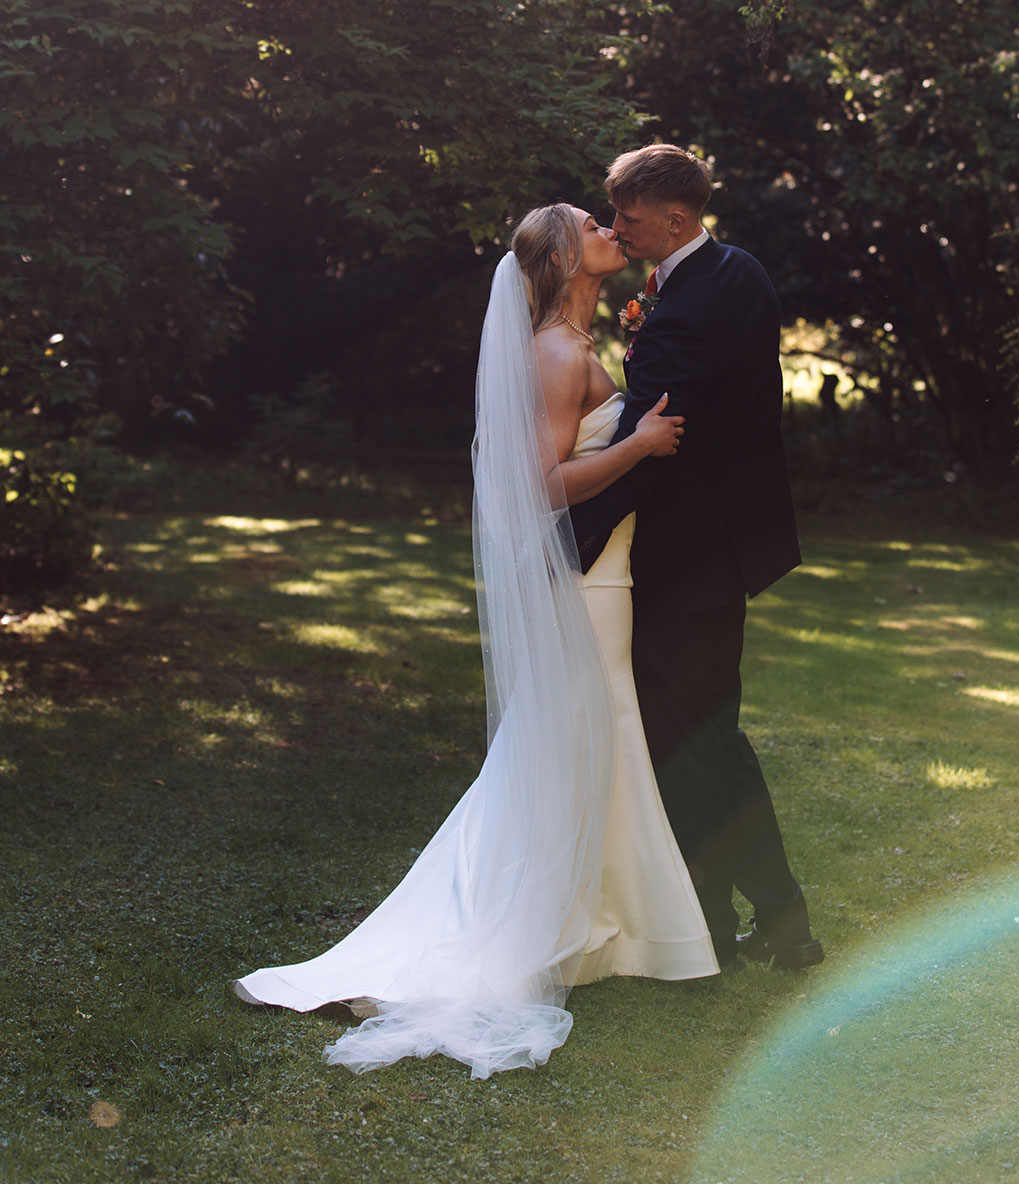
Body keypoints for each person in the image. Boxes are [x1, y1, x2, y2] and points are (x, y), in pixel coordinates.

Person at [234, 204, 716, 1080]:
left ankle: (611, 922)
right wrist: (642, 444)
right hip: (587, 580)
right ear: (568, 257)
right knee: (584, 734)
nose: (609, 227)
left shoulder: (570, 339)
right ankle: (602, 928)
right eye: (590, 224)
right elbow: (545, 483)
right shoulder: (557, 353)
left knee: (584, 738)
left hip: (604, 573)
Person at [573, 144, 822, 972]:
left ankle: (764, 920)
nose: (616, 228)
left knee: (696, 741)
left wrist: (567, 541)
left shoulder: (683, 308)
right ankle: (730, 919)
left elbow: (651, 446)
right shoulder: (737, 271)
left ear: (675, 219)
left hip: (688, 559)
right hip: (729, 544)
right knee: (705, 734)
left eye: (630, 218)